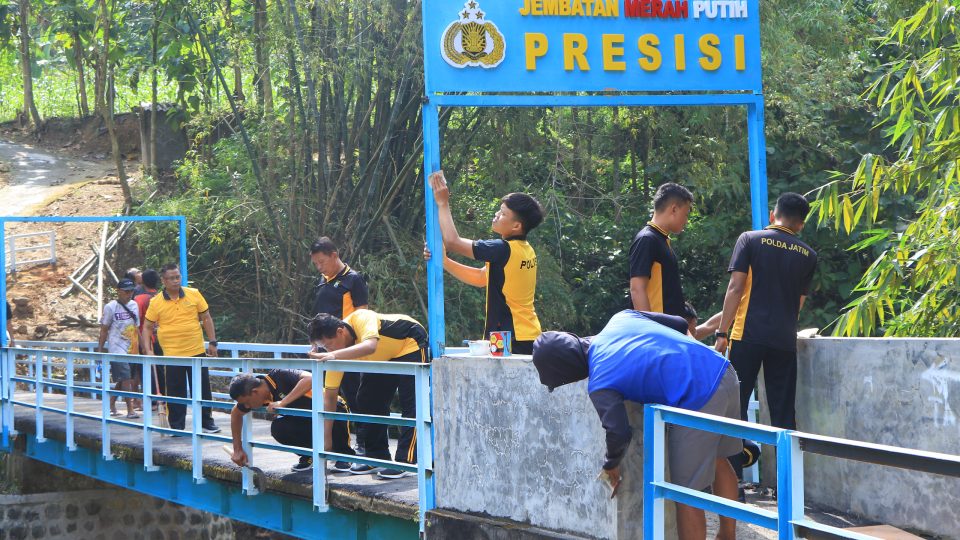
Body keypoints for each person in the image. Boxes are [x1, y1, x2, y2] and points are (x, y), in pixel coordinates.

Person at [532, 310, 741, 540]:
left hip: (700, 396)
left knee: (684, 493)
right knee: (720, 459)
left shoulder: (600, 381)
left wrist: (611, 464)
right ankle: (727, 536)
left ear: (566, 371)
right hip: (723, 370)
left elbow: (619, 432)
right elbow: (681, 323)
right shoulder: (620, 318)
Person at [715, 193, 818, 437]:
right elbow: (798, 303)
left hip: (747, 335)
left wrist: (722, 332)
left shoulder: (750, 239)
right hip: (783, 340)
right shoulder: (808, 255)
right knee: (783, 411)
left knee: (736, 404)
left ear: (773, 215)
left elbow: (735, 287)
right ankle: (789, 473)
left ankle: (736, 471)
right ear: (801, 224)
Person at [427, 169, 544, 354]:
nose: (497, 214)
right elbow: (482, 278)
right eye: (500, 209)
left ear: (516, 226)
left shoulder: (501, 248)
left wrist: (443, 202)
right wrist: (446, 262)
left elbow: (452, 241)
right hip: (527, 335)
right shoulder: (526, 249)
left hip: (510, 337)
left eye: (503, 214)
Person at [308, 309, 429, 479]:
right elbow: (330, 396)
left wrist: (333, 354)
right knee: (367, 399)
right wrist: (327, 438)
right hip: (382, 356)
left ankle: (405, 461)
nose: (327, 350)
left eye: (328, 345)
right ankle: (377, 457)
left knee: (412, 402)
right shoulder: (337, 351)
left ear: (340, 331)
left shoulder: (362, 317)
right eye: (323, 348)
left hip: (410, 342)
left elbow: (370, 346)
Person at [141, 263, 221, 433]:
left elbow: (206, 317)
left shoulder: (194, 294)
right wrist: (148, 349)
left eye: (177, 277)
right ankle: (177, 426)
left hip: (196, 350)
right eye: (171, 278)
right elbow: (147, 327)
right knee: (175, 391)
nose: (175, 281)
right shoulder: (156, 302)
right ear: (163, 280)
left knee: (202, 389)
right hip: (172, 354)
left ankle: (206, 422)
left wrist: (213, 342)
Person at [308, 237, 368, 461]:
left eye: (322, 262)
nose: (320, 267)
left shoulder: (353, 280)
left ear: (334, 255)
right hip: (326, 350)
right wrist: (315, 343)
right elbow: (318, 317)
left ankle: (363, 443)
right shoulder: (322, 281)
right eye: (316, 264)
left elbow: (363, 313)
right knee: (330, 397)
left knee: (356, 396)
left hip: (347, 348)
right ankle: (339, 446)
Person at [228, 369, 356, 472]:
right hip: (304, 418)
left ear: (254, 392)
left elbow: (310, 378)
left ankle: (343, 454)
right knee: (279, 428)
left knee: (334, 418)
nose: (248, 407)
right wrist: (237, 449)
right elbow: (236, 413)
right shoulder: (258, 398)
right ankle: (308, 455)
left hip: (331, 408)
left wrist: (283, 402)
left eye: (247, 402)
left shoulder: (279, 375)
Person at [629, 183, 693, 316]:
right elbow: (637, 289)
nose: (686, 220)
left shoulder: (662, 240)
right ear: (674, 209)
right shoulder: (647, 239)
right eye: (686, 214)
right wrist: (651, 330)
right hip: (659, 330)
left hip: (670, 327)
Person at [97, 279, 140, 419]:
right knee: (126, 378)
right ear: (119, 291)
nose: (129, 294)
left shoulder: (134, 305)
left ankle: (111, 404)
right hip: (117, 348)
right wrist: (100, 349)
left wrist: (144, 346)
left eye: (131, 291)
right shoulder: (110, 307)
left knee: (123, 379)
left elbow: (136, 327)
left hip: (131, 348)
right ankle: (130, 409)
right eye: (126, 291)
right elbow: (104, 329)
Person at [135, 269, 163, 397]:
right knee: (161, 368)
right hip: (161, 338)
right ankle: (163, 397)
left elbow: (137, 321)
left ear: (143, 282)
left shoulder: (139, 299)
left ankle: (152, 399)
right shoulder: (161, 297)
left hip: (146, 339)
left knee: (147, 369)